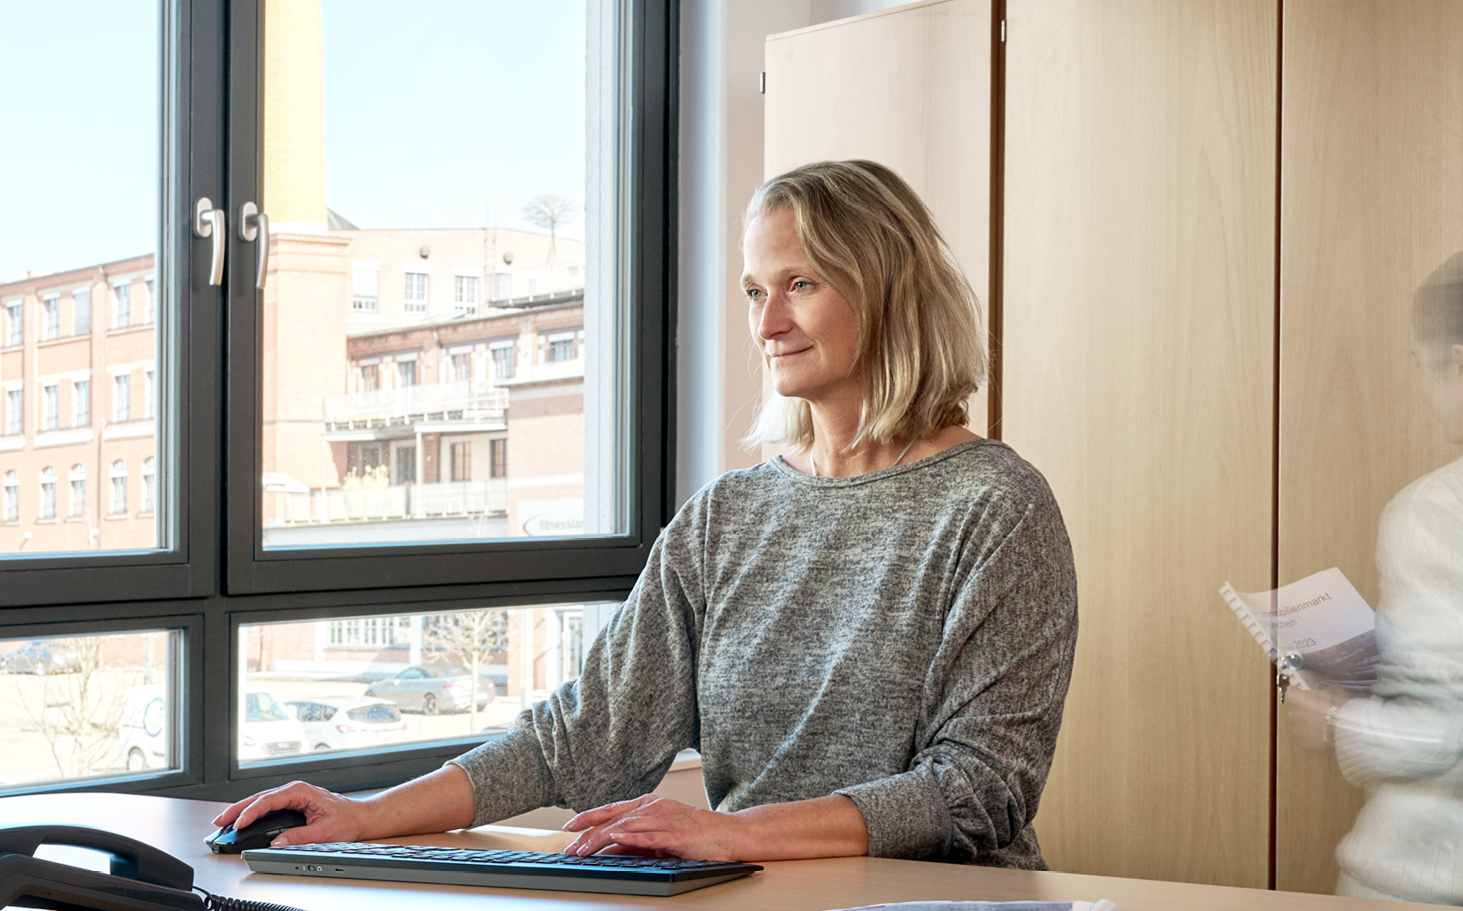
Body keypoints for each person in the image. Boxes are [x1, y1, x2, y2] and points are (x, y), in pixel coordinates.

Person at [218, 160, 1079, 865]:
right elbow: (583, 736)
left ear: (888, 291)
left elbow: (979, 789)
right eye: (752, 292)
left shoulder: (994, 506)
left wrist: (735, 834)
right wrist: (366, 815)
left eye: (800, 284)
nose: (768, 322)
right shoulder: (727, 519)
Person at [1287, 241, 1463, 910]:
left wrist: (1338, 719)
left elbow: (1462, 738)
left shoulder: (1450, 506)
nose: (1425, 389)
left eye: (1424, 366)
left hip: (1451, 898)